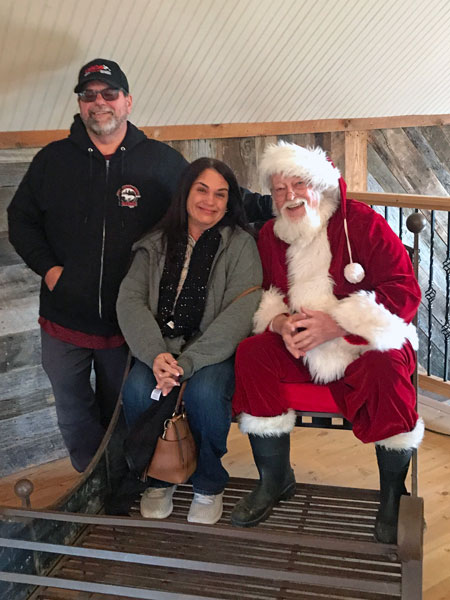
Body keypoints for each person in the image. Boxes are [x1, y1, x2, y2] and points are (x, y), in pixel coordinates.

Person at [231, 142, 423, 544]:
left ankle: (392, 494)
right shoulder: (270, 234)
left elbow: (404, 293)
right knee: (253, 354)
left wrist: (337, 325)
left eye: (298, 184)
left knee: (388, 367)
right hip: (299, 346)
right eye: (279, 190)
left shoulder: (363, 223)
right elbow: (263, 292)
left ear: (319, 184)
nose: (289, 197)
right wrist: (280, 321)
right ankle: (275, 479)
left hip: (363, 342)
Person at [7, 58, 188, 472]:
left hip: (131, 324)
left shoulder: (161, 162)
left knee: (125, 408)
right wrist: (52, 272)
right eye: (88, 95)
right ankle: (90, 480)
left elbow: (206, 204)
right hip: (64, 319)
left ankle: (123, 482)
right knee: (73, 414)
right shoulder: (53, 160)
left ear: (128, 102)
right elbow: (21, 220)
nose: (98, 102)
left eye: (109, 94)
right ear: (80, 104)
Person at [116, 157, 262, 525]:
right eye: (202, 190)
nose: (209, 201)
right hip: (159, 347)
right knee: (137, 388)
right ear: (186, 192)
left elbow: (240, 312)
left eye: (220, 194)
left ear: (229, 203)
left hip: (212, 351)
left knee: (205, 395)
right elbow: (130, 300)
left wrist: (189, 363)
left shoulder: (242, 246)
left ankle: (208, 482)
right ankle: (157, 476)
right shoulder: (155, 243)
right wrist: (155, 355)